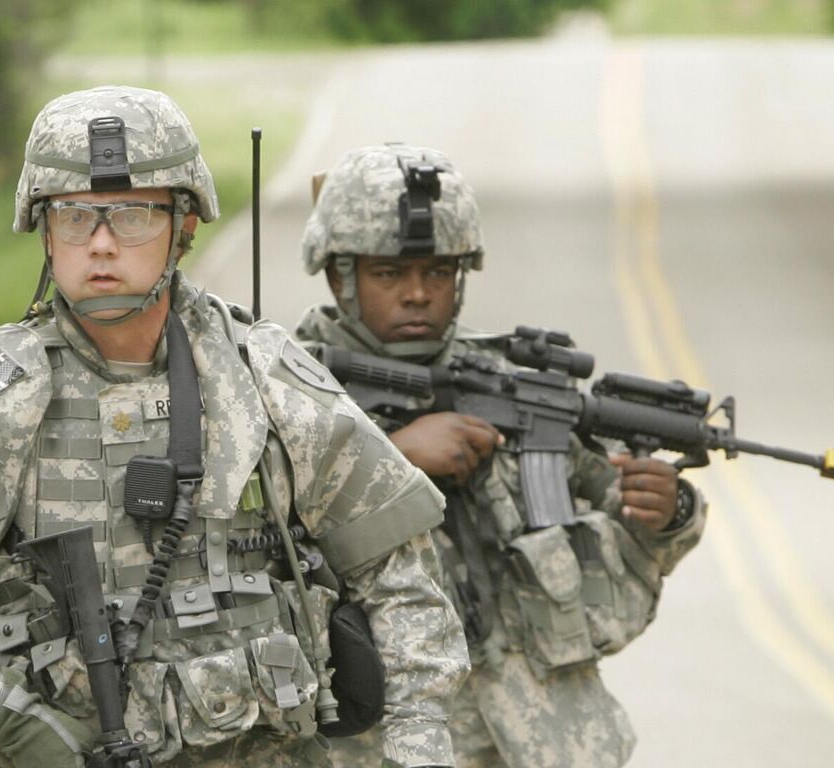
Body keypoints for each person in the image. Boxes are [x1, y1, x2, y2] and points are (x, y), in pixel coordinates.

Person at [0, 86, 469, 767]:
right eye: (76, 217)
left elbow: (405, 585)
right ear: (45, 231)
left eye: (135, 214)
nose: (103, 244)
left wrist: (417, 750)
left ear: (184, 225)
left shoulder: (262, 374)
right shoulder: (0, 396)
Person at [294, 143, 706, 768]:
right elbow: (254, 543)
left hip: (544, 738)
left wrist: (671, 511)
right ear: (338, 277)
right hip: (383, 744)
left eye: (438, 273)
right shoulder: (288, 390)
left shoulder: (504, 380)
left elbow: (618, 497)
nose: (417, 294)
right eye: (388, 274)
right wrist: (394, 462)